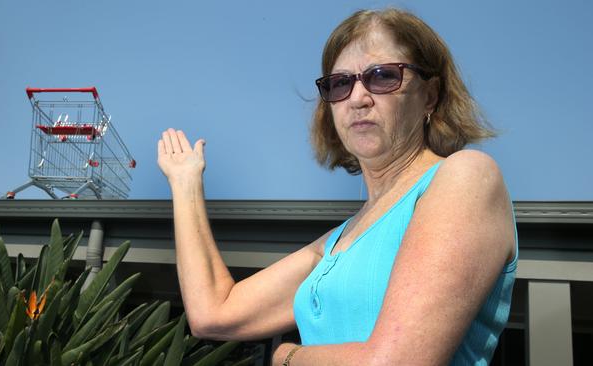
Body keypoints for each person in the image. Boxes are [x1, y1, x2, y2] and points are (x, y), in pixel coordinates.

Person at [157, 8, 516, 366]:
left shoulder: (466, 177)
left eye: (382, 77)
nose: (358, 98)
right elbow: (213, 313)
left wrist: (285, 355)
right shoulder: (336, 244)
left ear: (430, 95)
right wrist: (185, 184)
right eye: (340, 83)